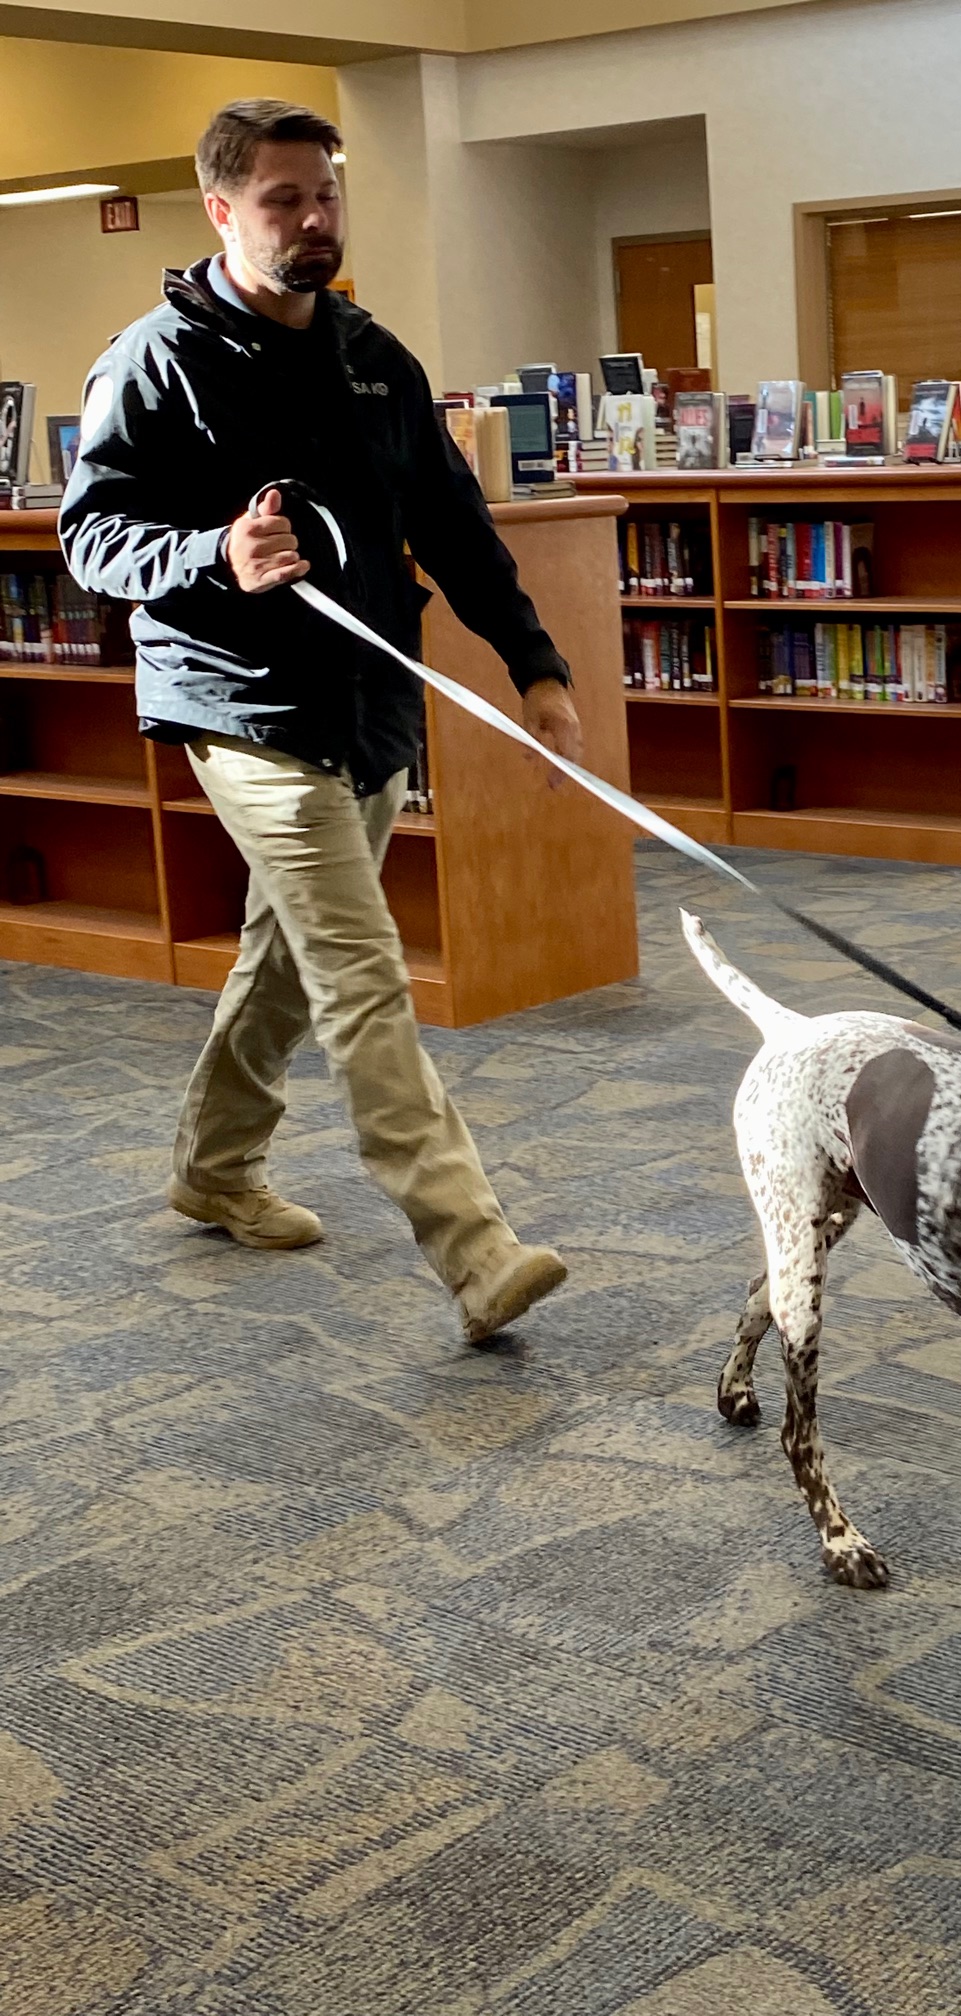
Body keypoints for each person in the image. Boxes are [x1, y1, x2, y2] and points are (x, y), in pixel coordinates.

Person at [60, 98, 582, 1342]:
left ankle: (213, 1165)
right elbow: (93, 535)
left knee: (289, 956)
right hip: (238, 705)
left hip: (370, 704)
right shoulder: (155, 357)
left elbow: (454, 527)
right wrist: (210, 551)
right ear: (223, 211)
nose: (313, 220)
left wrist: (537, 670)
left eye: (326, 194)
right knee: (360, 968)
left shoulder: (370, 354)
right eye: (284, 200)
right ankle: (474, 1246)